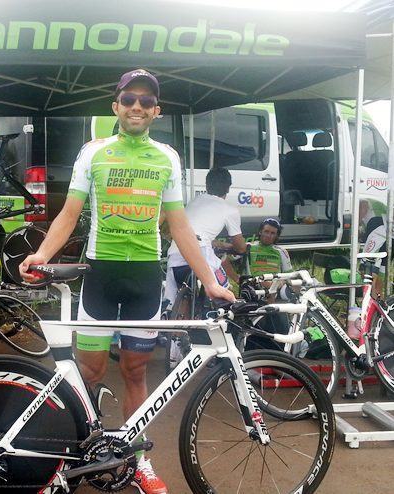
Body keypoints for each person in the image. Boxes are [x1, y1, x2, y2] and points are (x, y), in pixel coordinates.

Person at [20, 69, 234, 494]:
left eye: (145, 101)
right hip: (101, 274)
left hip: (144, 278)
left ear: (156, 110)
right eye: (129, 99)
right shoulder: (94, 153)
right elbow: (68, 213)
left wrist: (209, 280)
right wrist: (42, 254)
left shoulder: (167, 157)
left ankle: (138, 461)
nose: (137, 107)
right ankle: (81, 452)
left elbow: (179, 225)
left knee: (136, 371)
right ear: (116, 106)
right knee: (91, 370)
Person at [166, 168, 246, 299]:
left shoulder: (195, 201)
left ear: (207, 185)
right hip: (200, 253)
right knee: (224, 290)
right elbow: (240, 247)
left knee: (177, 299)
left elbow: (194, 232)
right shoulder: (230, 210)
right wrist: (232, 247)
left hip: (175, 254)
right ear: (228, 188)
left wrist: (218, 244)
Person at [362, 204, 394, 298]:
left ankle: (378, 305)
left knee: (377, 283)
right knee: (374, 281)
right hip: (372, 259)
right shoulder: (377, 222)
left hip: (382, 259)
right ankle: (376, 305)